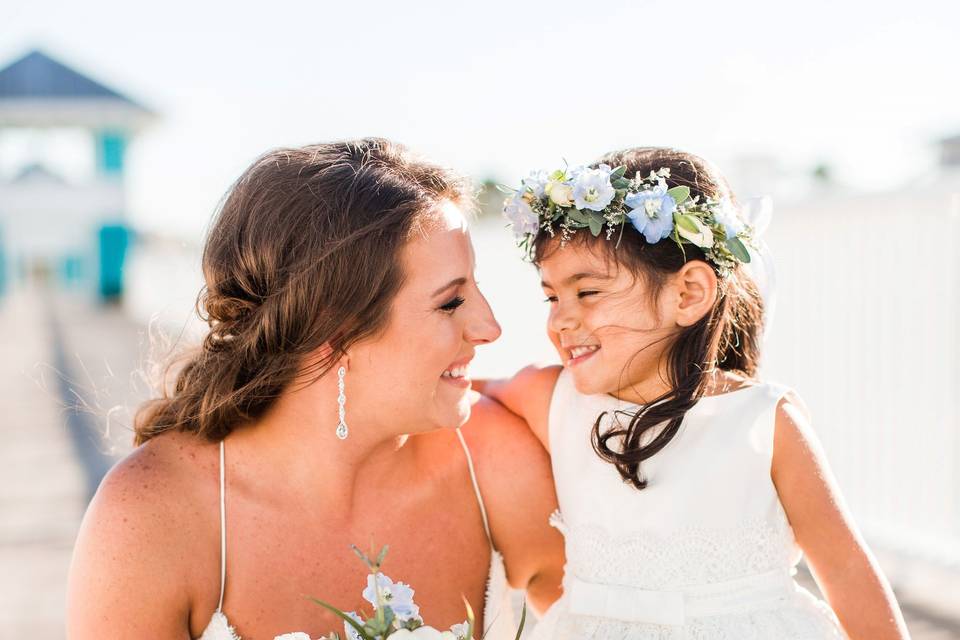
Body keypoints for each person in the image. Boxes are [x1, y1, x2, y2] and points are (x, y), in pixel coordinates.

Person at [66, 139, 564, 640]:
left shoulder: (497, 468)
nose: (489, 327)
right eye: (451, 302)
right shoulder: (152, 519)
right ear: (335, 331)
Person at [485, 147, 910, 639]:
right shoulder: (549, 398)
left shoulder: (761, 420)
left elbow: (846, 570)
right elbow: (452, 396)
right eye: (551, 297)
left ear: (688, 293)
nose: (561, 320)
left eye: (588, 292)